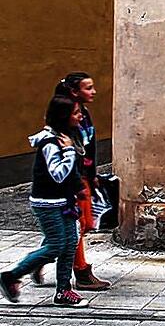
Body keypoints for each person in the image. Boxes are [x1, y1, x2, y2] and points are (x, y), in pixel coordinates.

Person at [0, 96, 89, 307]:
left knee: (69, 245)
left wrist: (79, 189)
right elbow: (58, 174)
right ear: (64, 116)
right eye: (77, 113)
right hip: (47, 203)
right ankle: (11, 275)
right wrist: (67, 152)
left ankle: (63, 292)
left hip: (64, 201)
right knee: (56, 245)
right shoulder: (51, 143)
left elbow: (73, 171)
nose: (81, 116)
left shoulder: (67, 136)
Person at [50, 73, 110, 291]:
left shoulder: (82, 112)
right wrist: (78, 181)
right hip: (75, 178)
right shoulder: (69, 116)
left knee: (80, 224)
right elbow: (72, 152)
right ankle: (81, 271)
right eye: (88, 88)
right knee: (79, 224)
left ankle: (41, 258)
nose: (94, 92)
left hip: (84, 175)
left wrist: (92, 173)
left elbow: (88, 146)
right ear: (75, 92)